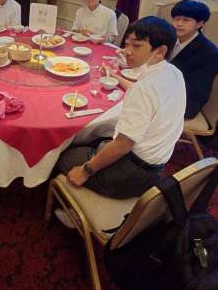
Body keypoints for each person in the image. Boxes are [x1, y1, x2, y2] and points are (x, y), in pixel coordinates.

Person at [56, 16, 185, 199]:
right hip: (157, 166)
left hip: (134, 173)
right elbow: (143, 92)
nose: (127, 52)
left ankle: (72, 204)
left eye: (137, 46)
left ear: (160, 51)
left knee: (64, 157)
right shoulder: (173, 73)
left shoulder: (143, 90)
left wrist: (85, 171)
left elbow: (122, 146)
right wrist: (115, 77)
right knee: (95, 142)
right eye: (127, 44)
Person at [170, 0, 218, 119]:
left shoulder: (210, 52)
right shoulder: (169, 38)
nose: (179, 24)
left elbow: (197, 92)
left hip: (184, 102)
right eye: (176, 18)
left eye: (186, 20)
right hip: (162, 89)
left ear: (200, 23)